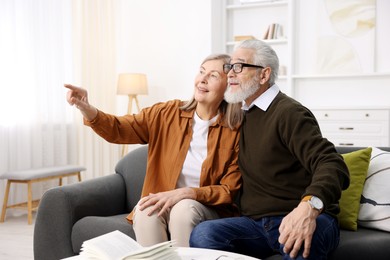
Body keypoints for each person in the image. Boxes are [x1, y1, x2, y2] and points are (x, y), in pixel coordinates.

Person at [189, 40, 350, 259]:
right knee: (204, 234)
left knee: (301, 244)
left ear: (264, 75)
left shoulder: (289, 113)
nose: (231, 74)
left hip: (302, 215)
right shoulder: (240, 114)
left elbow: (332, 163)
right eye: (230, 67)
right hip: (256, 225)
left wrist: (308, 208)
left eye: (239, 66)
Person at [64, 53, 244, 247]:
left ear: (228, 86)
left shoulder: (235, 130)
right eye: (201, 71)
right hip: (165, 201)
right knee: (145, 211)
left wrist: (187, 193)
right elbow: (119, 128)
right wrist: (86, 108)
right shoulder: (167, 113)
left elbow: (228, 190)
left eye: (214, 75)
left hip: (208, 207)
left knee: (182, 210)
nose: (203, 79)